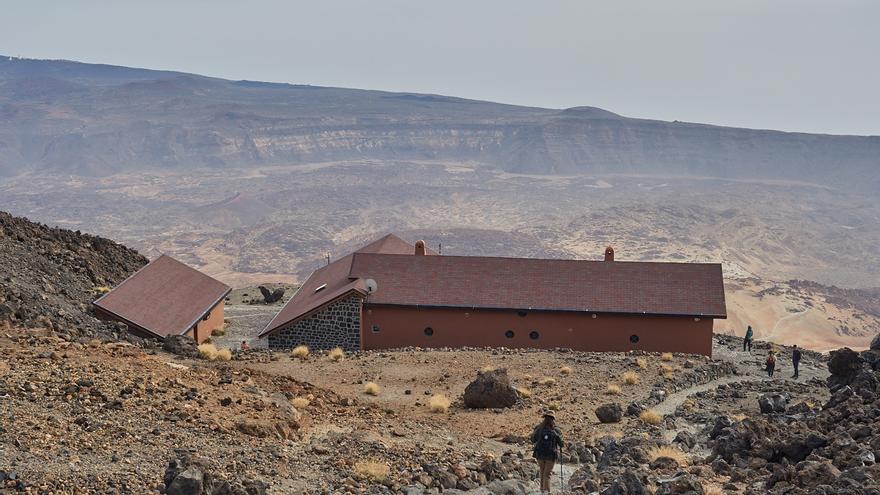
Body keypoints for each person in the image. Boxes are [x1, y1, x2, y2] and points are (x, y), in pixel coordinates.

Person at [531, 411, 563, 494]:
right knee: (547, 474)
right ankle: (547, 492)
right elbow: (561, 444)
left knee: (542, 472)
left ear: (544, 418)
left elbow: (532, 439)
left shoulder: (539, 428)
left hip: (539, 454)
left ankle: (542, 490)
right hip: (551, 455)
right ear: (553, 419)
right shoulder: (556, 430)